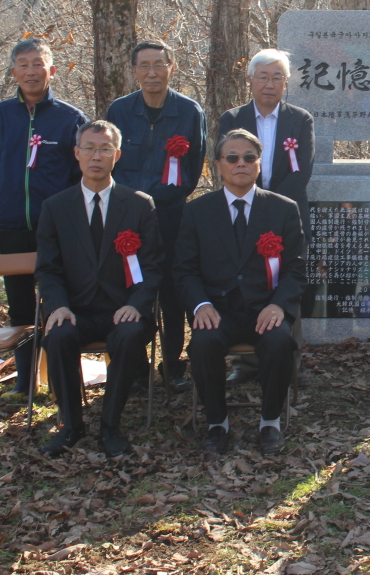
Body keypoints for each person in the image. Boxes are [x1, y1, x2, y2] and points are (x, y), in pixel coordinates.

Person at [34, 121, 162, 458]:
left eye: (105, 149)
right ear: (76, 154)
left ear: (116, 155)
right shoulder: (55, 207)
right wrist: (57, 305)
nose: (96, 156)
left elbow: (152, 267)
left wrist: (137, 304)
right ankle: (71, 425)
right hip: (74, 309)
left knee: (130, 335)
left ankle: (110, 426)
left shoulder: (139, 205)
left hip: (123, 309)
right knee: (57, 335)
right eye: (89, 148)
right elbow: (48, 268)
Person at [173, 129, 305, 455]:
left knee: (279, 342)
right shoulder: (197, 211)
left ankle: (270, 421)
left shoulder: (283, 209)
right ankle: (217, 423)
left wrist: (279, 306)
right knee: (203, 343)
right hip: (219, 309)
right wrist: (200, 304)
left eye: (249, 157)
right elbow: (184, 269)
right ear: (218, 164)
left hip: (265, 308)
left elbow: (296, 268)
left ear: (260, 164)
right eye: (232, 157)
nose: (241, 163)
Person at [0, 38, 88, 400]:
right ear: (13, 72)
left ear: (51, 70)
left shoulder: (70, 119)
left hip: (57, 230)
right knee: (21, 307)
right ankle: (26, 382)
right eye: (22, 64)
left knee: (62, 303)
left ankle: (62, 380)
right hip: (11, 227)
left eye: (37, 64)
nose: (30, 71)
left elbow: (80, 177)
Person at [106, 39, 207, 392]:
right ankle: (137, 366)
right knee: (132, 287)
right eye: (144, 65)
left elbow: (192, 169)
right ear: (134, 71)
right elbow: (111, 163)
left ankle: (173, 365)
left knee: (173, 293)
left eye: (159, 64)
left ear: (171, 67)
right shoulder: (119, 111)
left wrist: (167, 196)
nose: (152, 72)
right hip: (128, 219)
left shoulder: (189, 111)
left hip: (171, 215)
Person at [218, 49, 315, 383]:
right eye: (263, 76)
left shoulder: (300, 119)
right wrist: (255, 205)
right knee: (246, 280)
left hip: (288, 214)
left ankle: (290, 361)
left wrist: (273, 207)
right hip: (242, 212)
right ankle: (244, 364)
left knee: (288, 281)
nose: (270, 84)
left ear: (286, 83)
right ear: (251, 81)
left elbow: (302, 171)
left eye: (277, 77)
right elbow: (230, 166)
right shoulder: (232, 119)